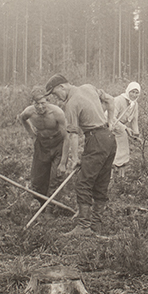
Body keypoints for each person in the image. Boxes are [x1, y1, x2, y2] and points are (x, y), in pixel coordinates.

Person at [45, 74, 116, 236]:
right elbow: (110, 100)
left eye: (56, 94)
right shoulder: (88, 87)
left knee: (83, 183)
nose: (58, 99)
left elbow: (73, 135)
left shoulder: (71, 104)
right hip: (109, 138)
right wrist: (110, 122)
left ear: (62, 87)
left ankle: (83, 226)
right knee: (101, 182)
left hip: (95, 139)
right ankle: (96, 224)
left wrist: (75, 159)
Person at [19, 86, 68, 214]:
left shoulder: (57, 113)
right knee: (37, 178)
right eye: (37, 104)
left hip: (58, 143)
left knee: (55, 177)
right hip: (42, 144)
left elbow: (67, 137)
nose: (40, 107)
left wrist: (63, 162)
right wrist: (32, 135)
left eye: (43, 103)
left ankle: (50, 210)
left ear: (48, 101)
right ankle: (41, 205)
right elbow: (22, 119)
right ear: (32, 103)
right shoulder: (29, 112)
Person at [112, 82, 141, 178]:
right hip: (109, 126)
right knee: (112, 150)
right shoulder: (118, 100)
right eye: (132, 92)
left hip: (120, 129)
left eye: (137, 93)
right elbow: (112, 117)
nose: (134, 95)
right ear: (128, 91)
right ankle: (110, 175)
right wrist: (125, 128)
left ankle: (121, 177)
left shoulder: (135, 104)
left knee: (123, 149)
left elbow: (134, 121)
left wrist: (136, 134)